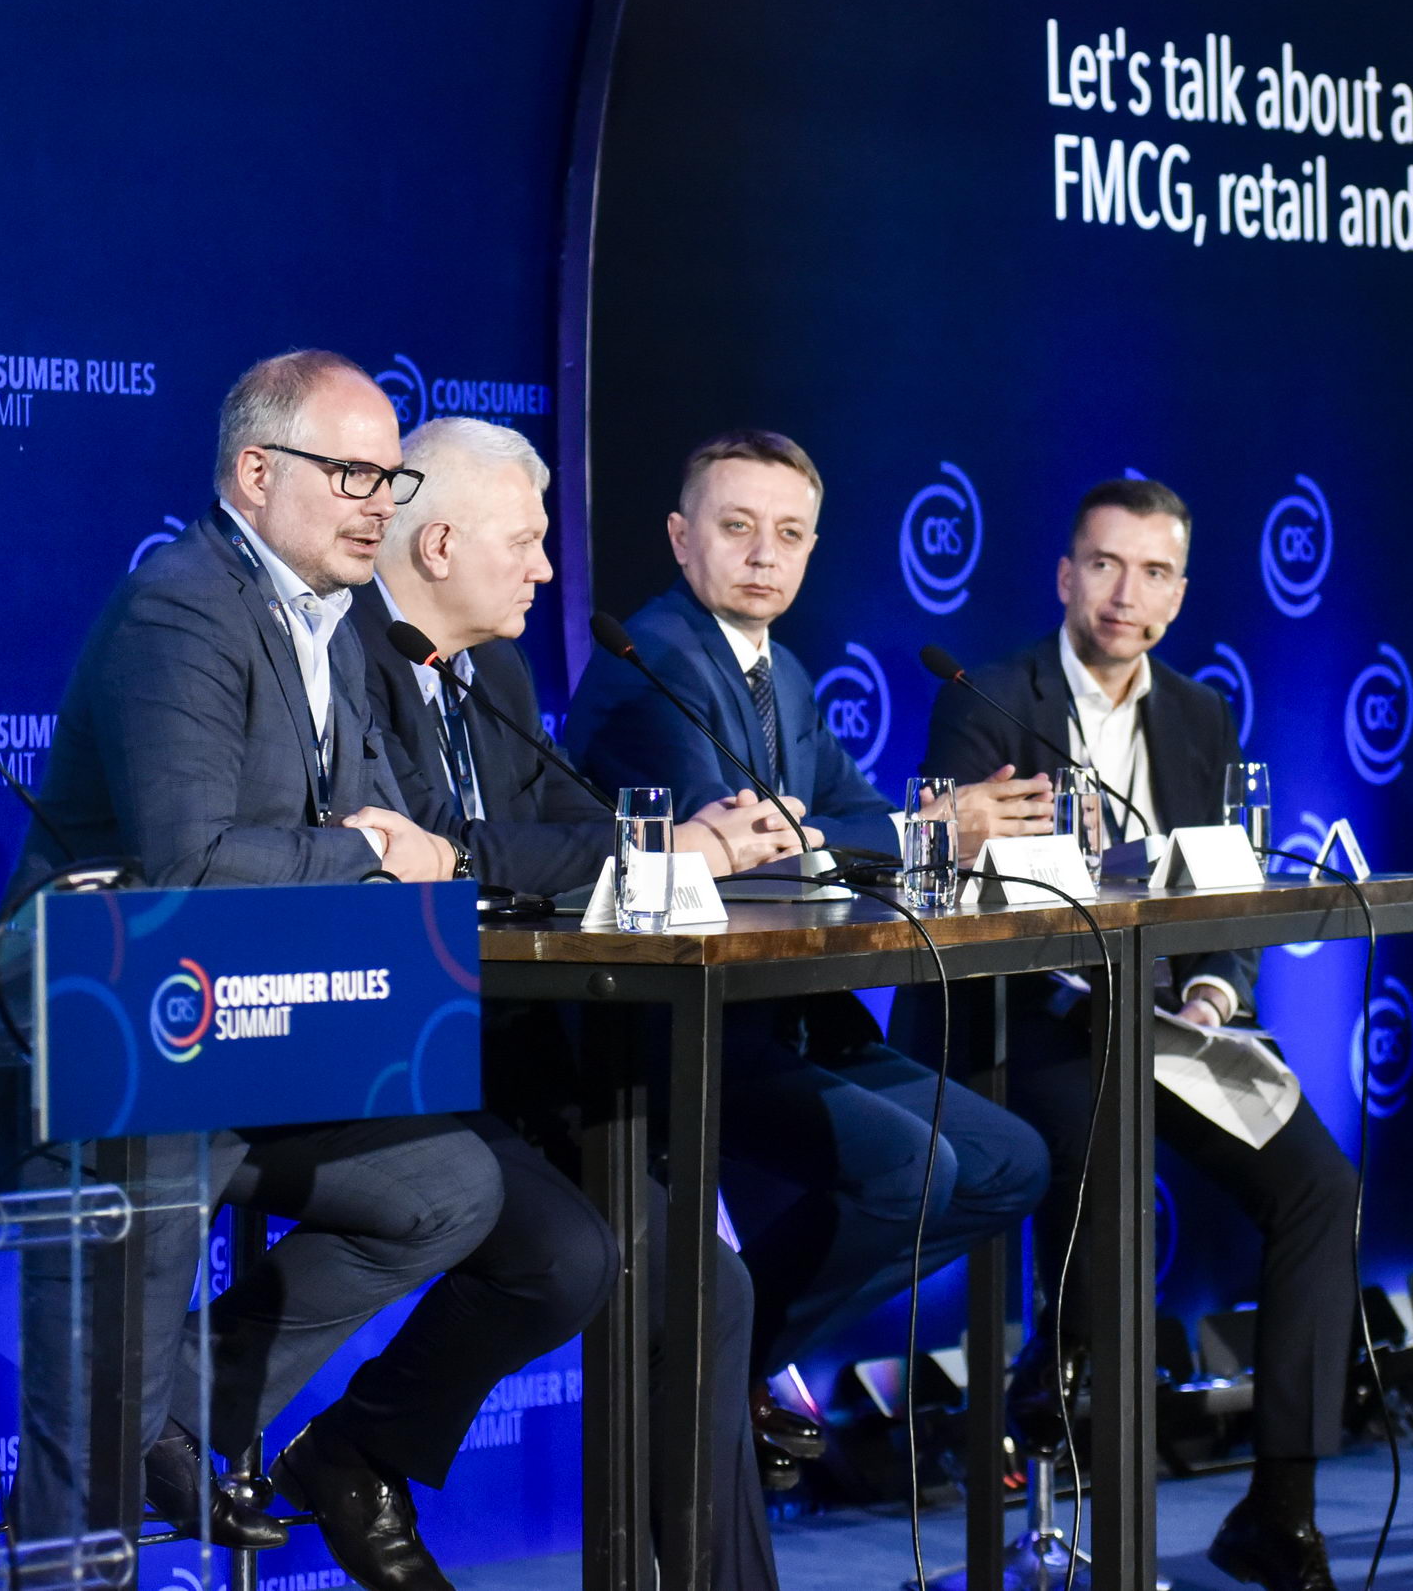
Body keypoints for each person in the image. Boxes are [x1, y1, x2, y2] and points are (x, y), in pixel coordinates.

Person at [0, 351, 569, 1591]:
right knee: (87, 1443)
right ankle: (101, 1466)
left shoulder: (329, 623)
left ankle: (175, 1404)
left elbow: (386, 823)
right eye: (353, 472)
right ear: (256, 473)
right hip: (121, 1048)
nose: (380, 501)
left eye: (391, 477)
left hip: (257, 1033)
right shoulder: (182, 607)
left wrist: (398, 850)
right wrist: (369, 850)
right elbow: (189, 860)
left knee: (450, 1185)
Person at [350, 415, 807, 1588]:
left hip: (525, 1047)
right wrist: (651, 847)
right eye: (528, 542)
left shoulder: (494, 672)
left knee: (710, 1284)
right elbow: (430, 852)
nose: (549, 569)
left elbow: (577, 831)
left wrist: (655, 845)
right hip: (392, 1050)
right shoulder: (347, 660)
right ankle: (354, 1447)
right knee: (583, 1255)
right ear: (439, 544)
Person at [918, 477, 1356, 1591]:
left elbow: (1226, 891)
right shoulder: (989, 698)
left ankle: (1281, 1506)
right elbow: (956, 898)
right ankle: (1075, 1398)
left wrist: (1213, 992)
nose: (1127, 592)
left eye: (1154, 571)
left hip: (1169, 1021)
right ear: (1066, 576)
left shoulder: (1201, 714)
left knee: (1319, 1184)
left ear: (1180, 592)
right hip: (1032, 1019)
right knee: (1104, 1149)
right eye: (1106, 565)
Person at [565, 430, 1051, 1418]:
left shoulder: (776, 666)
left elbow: (852, 815)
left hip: (785, 1015)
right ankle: (706, 1368)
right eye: (737, 527)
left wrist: (911, 830)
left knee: (1010, 1162)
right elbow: (743, 849)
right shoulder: (653, 659)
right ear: (681, 537)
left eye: (789, 534)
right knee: (914, 1166)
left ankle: (724, 1358)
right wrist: (921, 829)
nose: (764, 555)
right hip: (685, 1030)